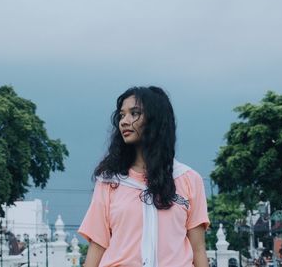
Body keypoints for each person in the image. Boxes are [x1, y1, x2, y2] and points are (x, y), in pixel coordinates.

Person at [78, 86, 210, 267]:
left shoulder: (189, 179)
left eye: (134, 113)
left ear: (155, 120)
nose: (125, 121)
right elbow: (97, 246)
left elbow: (198, 249)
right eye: (122, 115)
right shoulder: (109, 181)